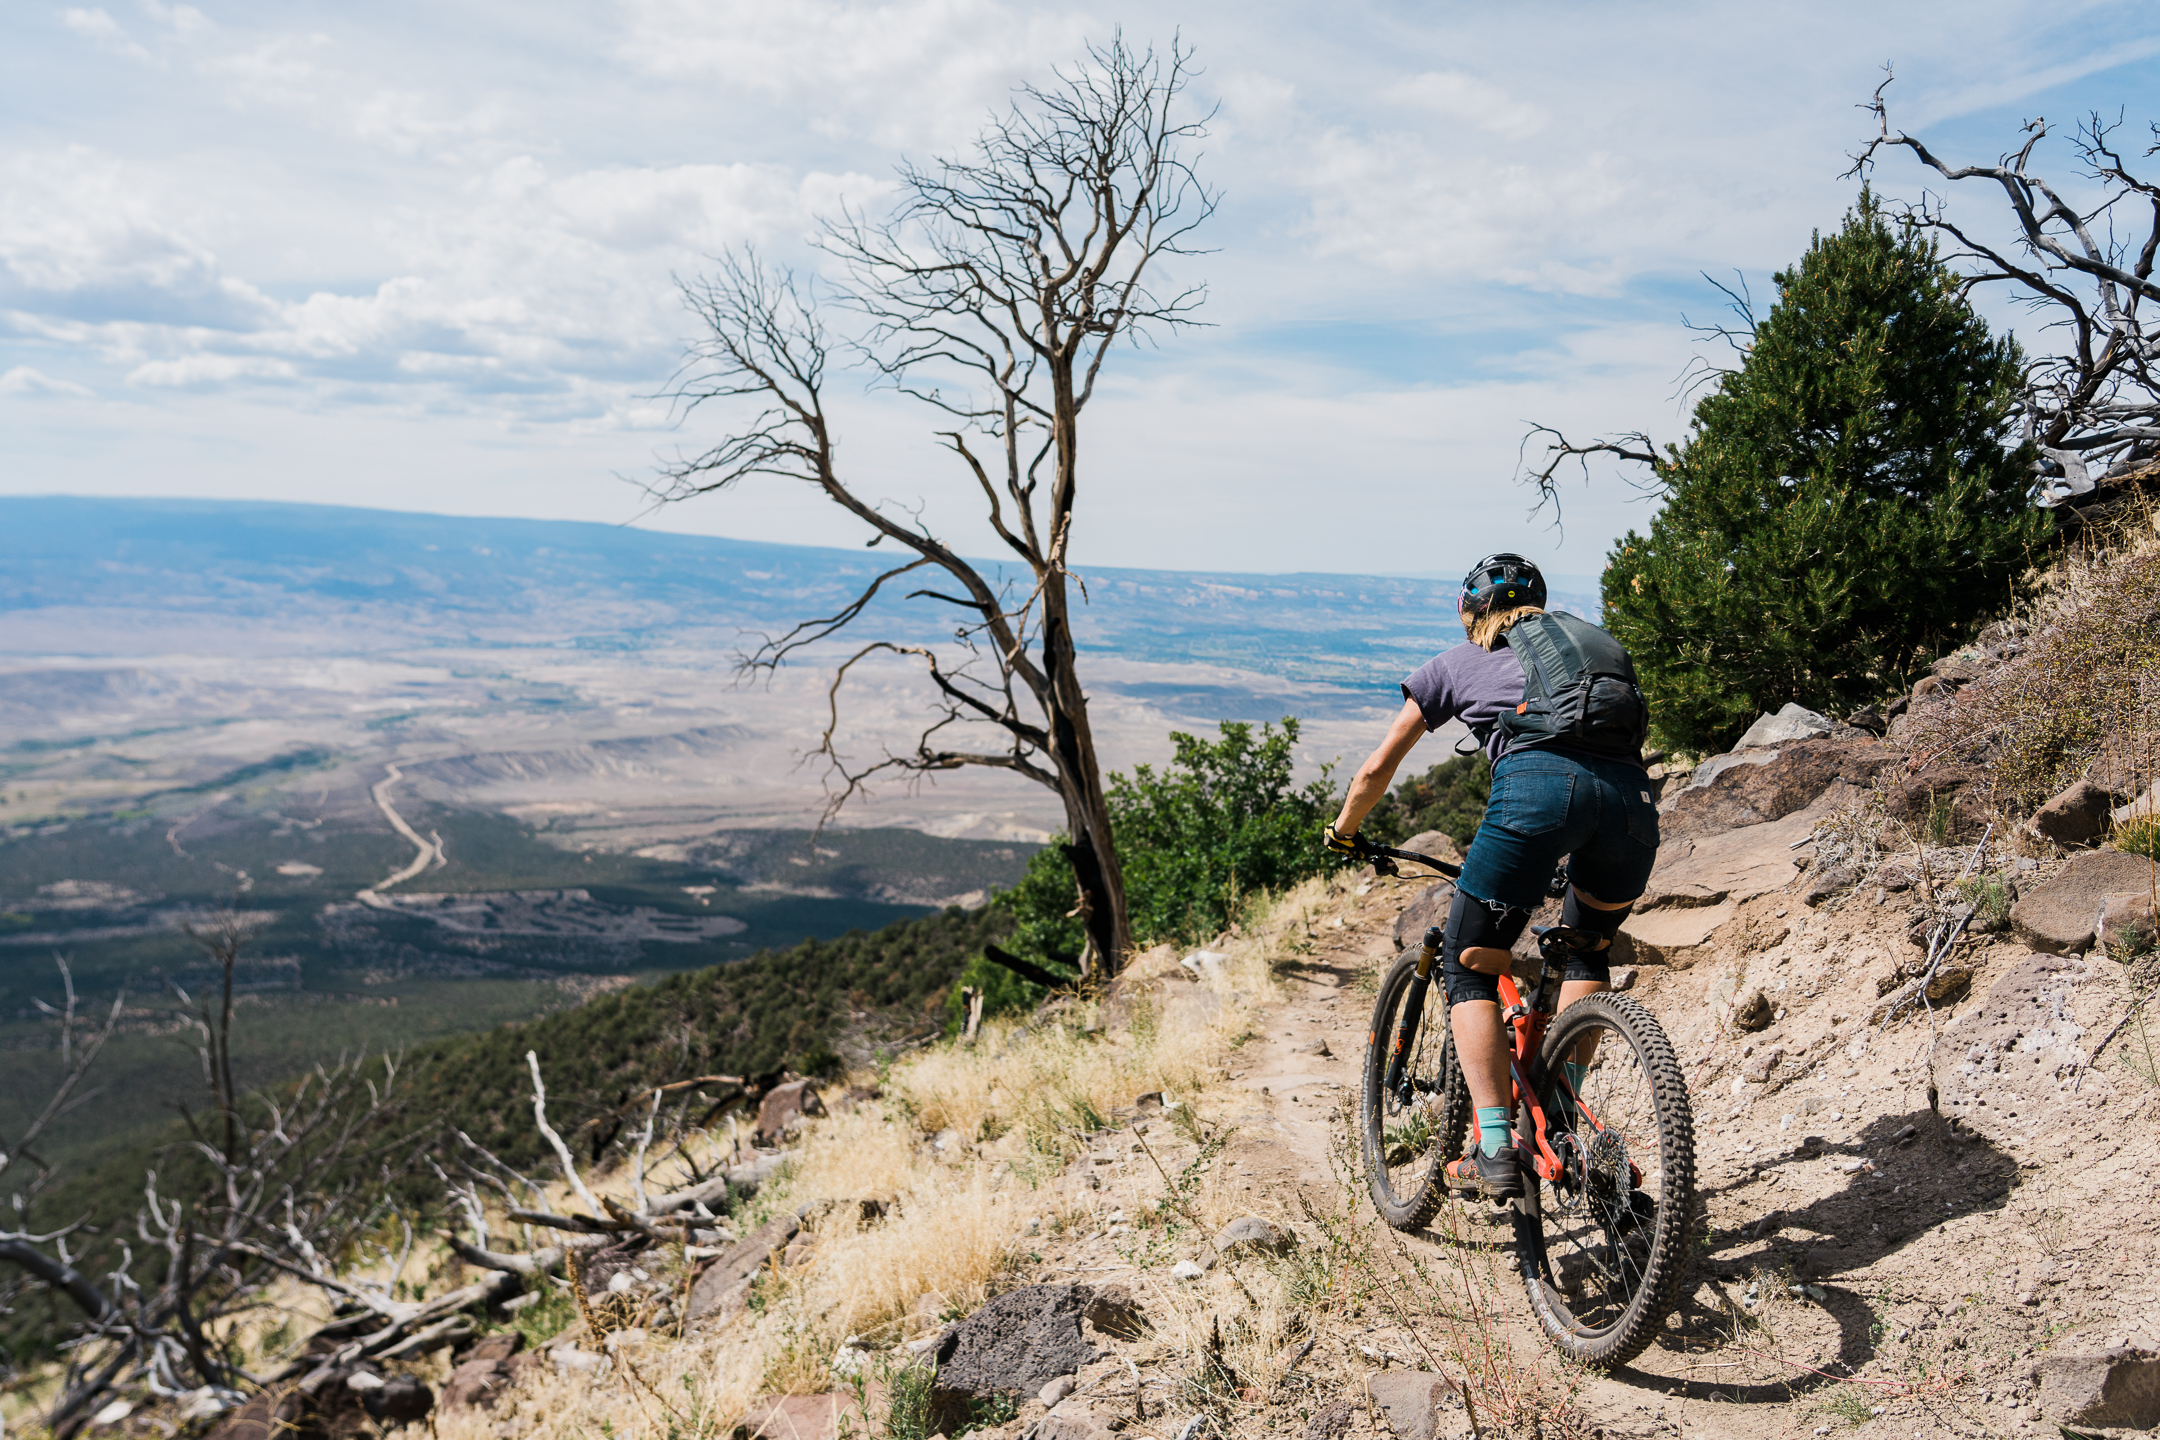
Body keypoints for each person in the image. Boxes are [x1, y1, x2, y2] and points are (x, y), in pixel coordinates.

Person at [1324, 553, 1657, 1199]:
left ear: (1469, 610)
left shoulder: (1455, 662)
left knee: (1470, 964)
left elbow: (1376, 770)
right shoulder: (1591, 650)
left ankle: (1497, 1146)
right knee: (1586, 946)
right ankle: (1561, 1116)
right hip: (1630, 806)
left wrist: (1342, 831)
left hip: (1536, 799)